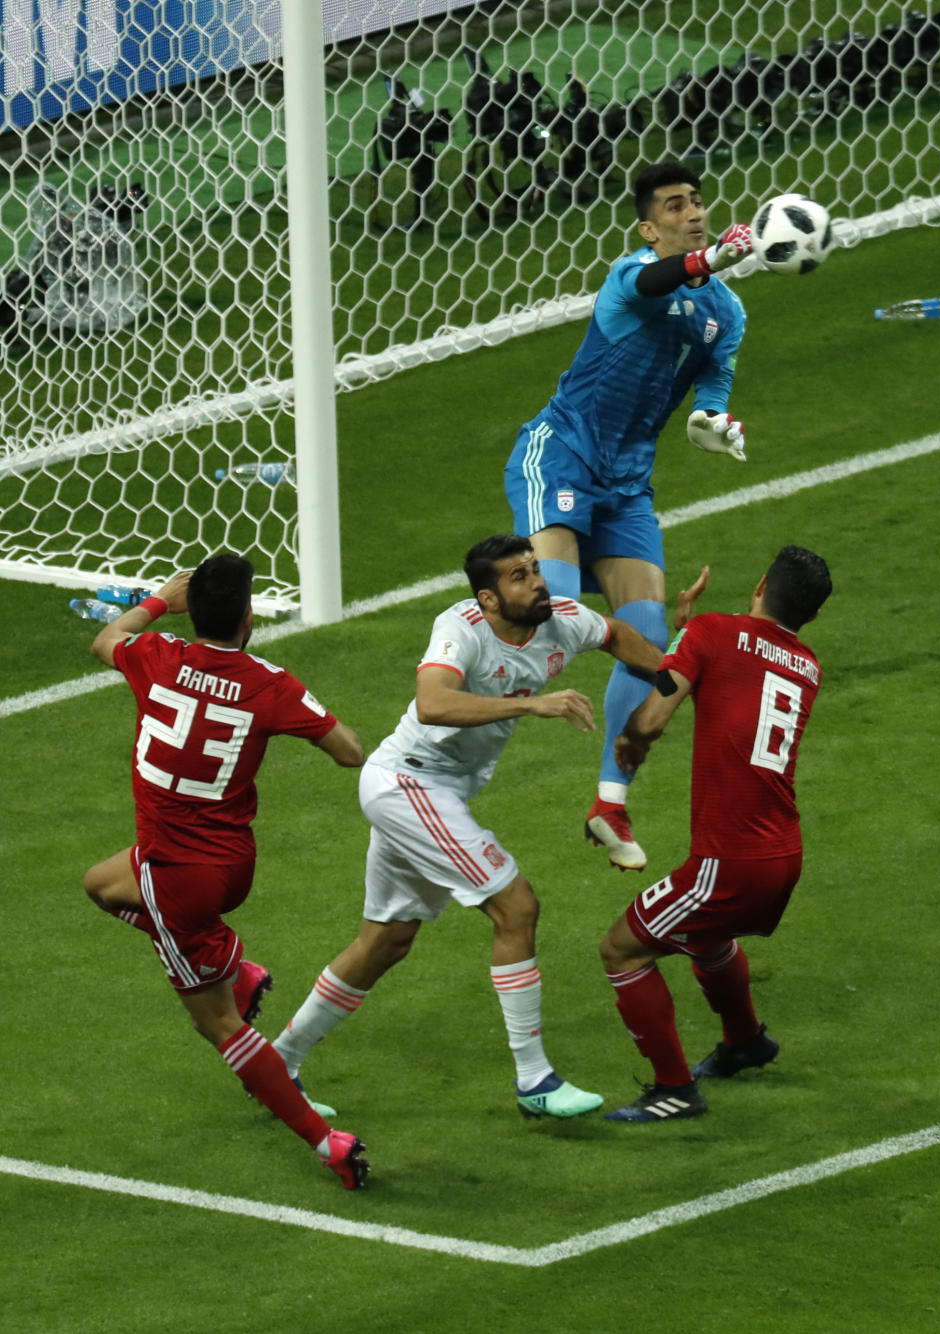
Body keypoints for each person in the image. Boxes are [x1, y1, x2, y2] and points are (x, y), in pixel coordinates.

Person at [272, 535, 705, 1119]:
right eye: (520, 577)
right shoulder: (462, 629)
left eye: (535, 569)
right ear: (489, 598)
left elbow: (616, 634)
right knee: (516, 907)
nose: (538, 583)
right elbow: (433, 703)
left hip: (436, 791)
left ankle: (276, 1065)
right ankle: (535, 1081)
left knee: (385, 942)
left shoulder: (562, 619)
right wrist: (532, 704)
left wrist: (673, 673)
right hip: (409, 784)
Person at [82, 554, 369, 1189]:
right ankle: (235, 969)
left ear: (194, 612)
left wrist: (159, 599)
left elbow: (106, 639)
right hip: (229, 863)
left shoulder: (156, 655)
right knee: (101, 885)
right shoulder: (271, 682)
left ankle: (328, 1143)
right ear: (247, 619)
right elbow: (351, 753)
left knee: (218, 1026)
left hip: (175, 873)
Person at [505, 160, 752, 873]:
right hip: (561, 456)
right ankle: (462, 685)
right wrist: (712, 257)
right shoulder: (631, 274)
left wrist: (714, 422)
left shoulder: (726, 312)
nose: (693, 213)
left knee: (648, 641)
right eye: (676, 207)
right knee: (543, 608)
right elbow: (655, 286)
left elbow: (714, 384)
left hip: (627, 489)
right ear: (649, 226)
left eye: (698, 203)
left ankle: (608, 804)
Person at [598, 546, 833, 1123]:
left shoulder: (713, 632)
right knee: (708, 936)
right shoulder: (808, 666)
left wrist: (627, 746)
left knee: (621, 949)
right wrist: (685, 641)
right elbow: (737, 680)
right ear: (811, 615)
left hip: (729, 860)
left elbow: (651, 720)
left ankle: (673, 1088)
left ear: (759, 581)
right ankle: (744, 1040)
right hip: (783, 854)